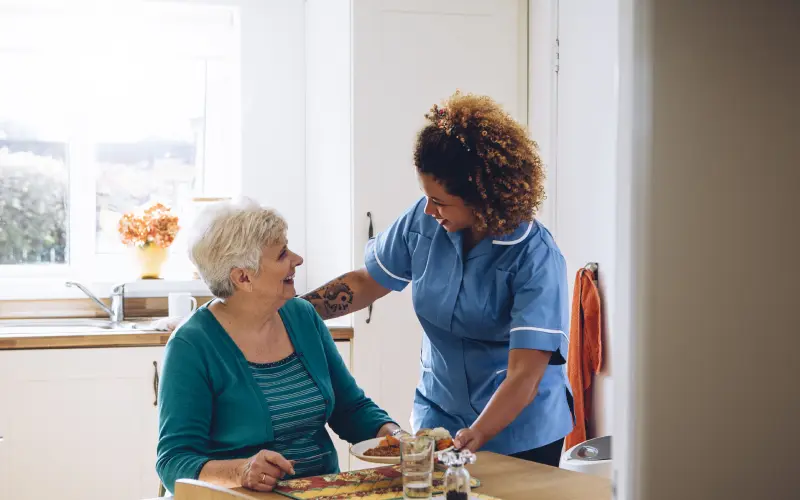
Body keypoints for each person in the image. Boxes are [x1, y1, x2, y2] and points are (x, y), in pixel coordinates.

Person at [303, 91, 574, 467]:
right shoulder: (424, 219)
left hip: (519, 431)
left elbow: (524, 376)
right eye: (425, 196)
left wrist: (477, 434)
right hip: (440, 418)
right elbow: (367, 282)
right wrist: (293, 311)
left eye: (441, 201)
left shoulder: (535, 256)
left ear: (483, 198)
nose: (429, 209)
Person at [156, 199, 401, 494]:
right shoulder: (191, 345)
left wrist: (392, 434)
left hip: (318, 490)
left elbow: (350, 408)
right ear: (243, 277)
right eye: (282, 254)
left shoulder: (302, 316)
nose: (297, 259)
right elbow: (173, 461)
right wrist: (241, 471)